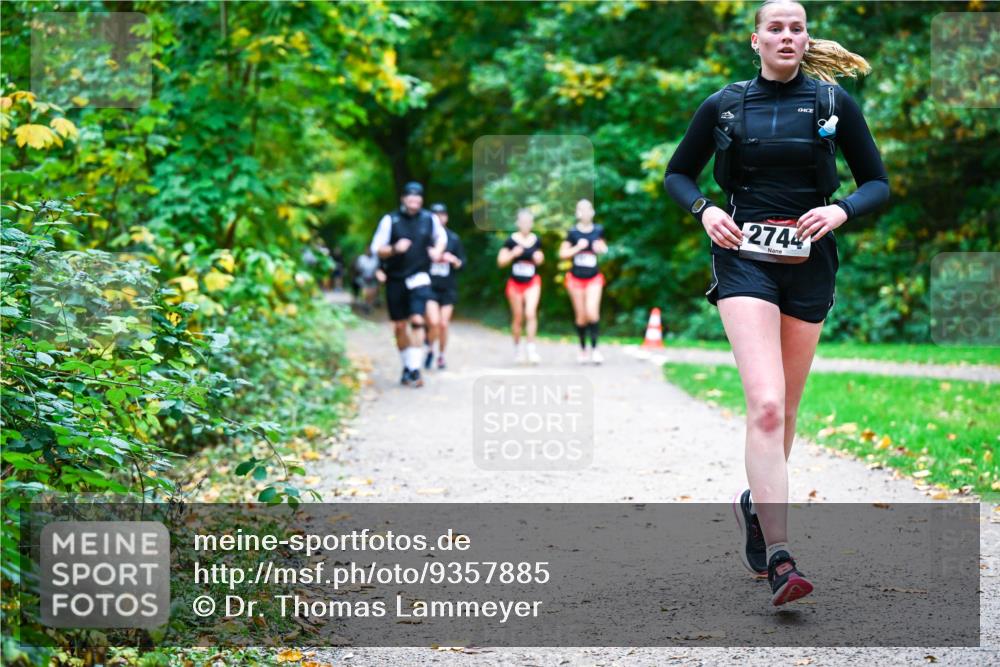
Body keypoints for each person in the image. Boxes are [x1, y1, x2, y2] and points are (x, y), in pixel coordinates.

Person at [663, 0, 888, 606]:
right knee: (764, 405)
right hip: (743, 258)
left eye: (797, 27)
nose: (787, 36)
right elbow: (677, 173)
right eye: (776, 28)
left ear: (804, 37)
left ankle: (756, 508)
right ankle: (784, 558)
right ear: (755, 39)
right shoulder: (725, 105)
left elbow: (878, 182)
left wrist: (841, 209)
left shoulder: (833, 104)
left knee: (785, 410)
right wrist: (705, 210)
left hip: (810, 265)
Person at [370, 182, 447, 387]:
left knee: (417, 319)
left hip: (420, 276)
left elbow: (442, 238)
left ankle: (415, 369)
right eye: (410, 198)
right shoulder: (391, 220)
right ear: (403, 198)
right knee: (399, 325)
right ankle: (408, 365)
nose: (414, 202)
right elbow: (377, 248)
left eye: (418, 198)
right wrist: (395, 248)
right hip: (395, 278)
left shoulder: (429, 219)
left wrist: (437, 251)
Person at [559, 199, 608, 365]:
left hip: (593, 278)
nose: (585, 213)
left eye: (588, 209)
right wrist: (577, 248)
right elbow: (563, 254)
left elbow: (604, 248)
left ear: (592, 212)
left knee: (592, 313)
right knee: (581, 317)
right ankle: (582, 349)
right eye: (582, 210)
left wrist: (599, 248)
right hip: (575, 279)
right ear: (577, 213)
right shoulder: (572, 233)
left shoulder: (598, 230)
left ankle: (595, 350)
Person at [497, 209, 544, 365]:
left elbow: (541, 259)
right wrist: (512, 254)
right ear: (518, 223)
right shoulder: (511, 240)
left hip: (532, 282)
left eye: (528, 221)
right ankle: (517, 349)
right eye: (523, 221)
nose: (526, 224)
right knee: (518, 317)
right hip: (515, 284)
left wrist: (539, 258)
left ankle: (531, 350)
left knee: (530, 313)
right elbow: (501, 261)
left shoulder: (536, 240)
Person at [424, 203, 466, 371]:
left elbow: (463, 264)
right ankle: (429, 350)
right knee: (433, 322)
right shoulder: (425, 238)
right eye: (435, 215)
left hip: (448, 287)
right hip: (429, 287)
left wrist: (453, 260)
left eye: (442, 215)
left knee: (443, 324)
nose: (439, 218)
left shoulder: (454, 239)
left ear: (446, 217)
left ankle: (441, 355)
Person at [353, 249, 380, 314]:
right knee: (365, 292)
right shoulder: (361, 258)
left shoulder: (376, 258)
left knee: (372, 293)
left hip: (373, 278)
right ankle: (365, 304)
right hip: (363, 278)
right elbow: (357, 267)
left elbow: (378, 268)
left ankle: (369, 306)